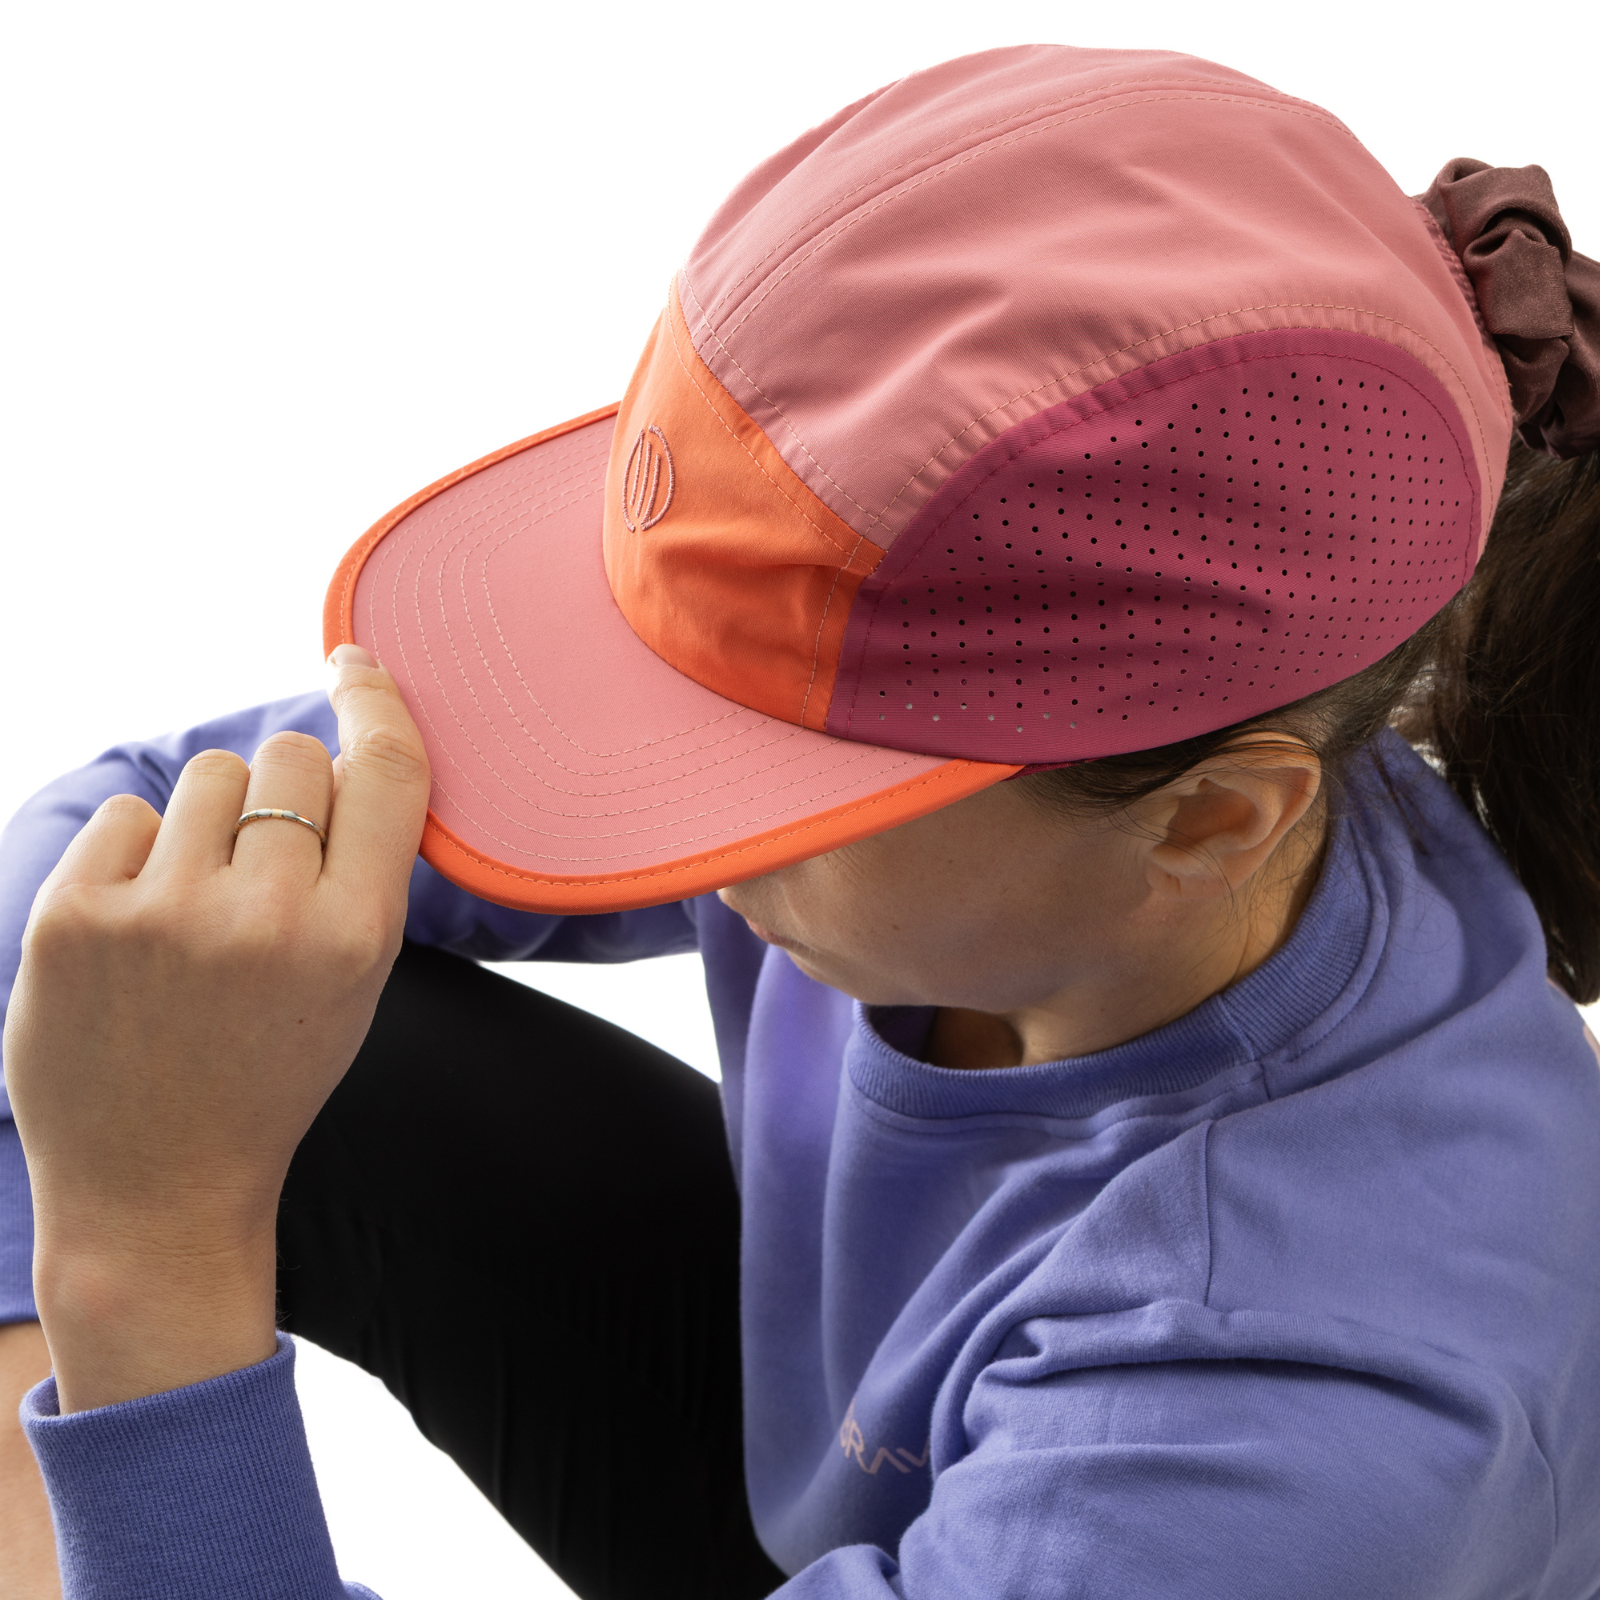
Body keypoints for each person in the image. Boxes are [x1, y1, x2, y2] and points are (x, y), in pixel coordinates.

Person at [2, 41, 1599, 1600]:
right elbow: (107, 862)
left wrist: (146, 1274)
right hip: (861, 1439)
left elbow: (138, 1217)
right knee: (170, 991)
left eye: (762, 771)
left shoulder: (1317, 1408)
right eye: (650, 682)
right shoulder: (1071, 800)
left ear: (1209, 822)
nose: (656, 818)